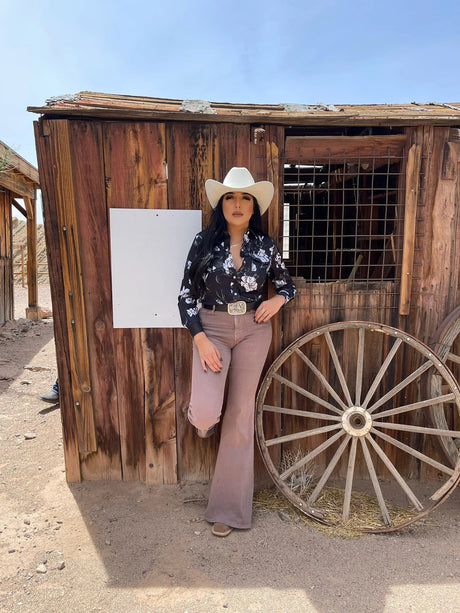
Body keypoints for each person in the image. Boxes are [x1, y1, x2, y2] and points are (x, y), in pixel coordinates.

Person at [178, 167, 296, 537]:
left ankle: (228, 512)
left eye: (246, 197)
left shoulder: (267, 246)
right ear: (222, 204)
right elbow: (185, 296)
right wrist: (199, 338)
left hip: (253, 331)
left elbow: (288, 285)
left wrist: (277, 301)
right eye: (231, 197)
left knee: (241, 416)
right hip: (211, 329)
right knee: (208, 412)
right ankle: (201, 417)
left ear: (254, 206)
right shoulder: (203, 242)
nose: (238, 204)